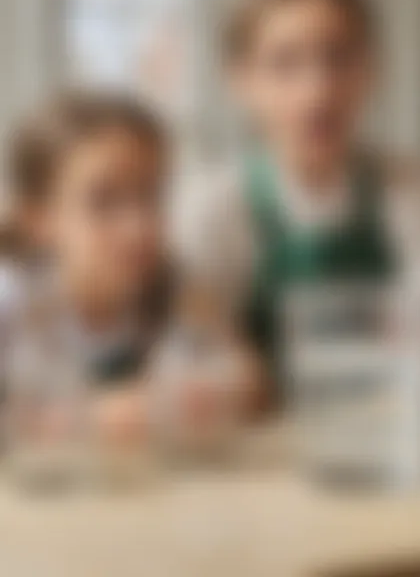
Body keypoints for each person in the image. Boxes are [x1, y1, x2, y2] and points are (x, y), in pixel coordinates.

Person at [175, 0, 420, 396]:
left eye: (340, 57)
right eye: (285, 63)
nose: (319, 90)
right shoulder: (214, 204)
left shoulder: (407, 185)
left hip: (382, 422)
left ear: (372, 69)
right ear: (241, 81)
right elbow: (204, 349)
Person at [0, 90, 262, 433]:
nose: (138, 226)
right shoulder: (12, 300)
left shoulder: (170, 285)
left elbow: (253, 382)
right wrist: (108, 416)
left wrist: (220, 388)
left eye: (150, 195)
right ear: (40, 220)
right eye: (104, 201)